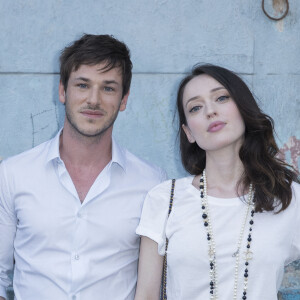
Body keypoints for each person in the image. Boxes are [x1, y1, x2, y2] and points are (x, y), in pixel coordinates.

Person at [0, 34, 167, 300]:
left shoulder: (151, 183)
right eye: (82, 85)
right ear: (62, 91)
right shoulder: (13, 174)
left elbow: (152, 287)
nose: (94, 100)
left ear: (124, 100)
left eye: (108, 88)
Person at [134, 64, 300, 300]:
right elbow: (146, 296)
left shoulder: (287, 197)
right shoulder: (164, 199)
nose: (210, 111)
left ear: (243, 109)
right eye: (195, 108)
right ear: (188, 132)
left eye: (221, 98)